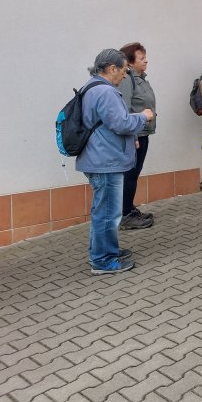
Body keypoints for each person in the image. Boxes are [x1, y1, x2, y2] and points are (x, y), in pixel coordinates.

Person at [76, 49, 154, 274]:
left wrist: (130, 140)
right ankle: (103, 260)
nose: (125, 75)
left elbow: (108, 124)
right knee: (108, 213)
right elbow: (121, 123)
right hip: (105, 161)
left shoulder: (91, 87)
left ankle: (106, 250)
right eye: (124, 70)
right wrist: (143, 117)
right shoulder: (106, 92)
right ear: (112, 69)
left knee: (104, 210)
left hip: (100, 157)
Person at [117, 42, 156, 231]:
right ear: (130, 63)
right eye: (141, 58)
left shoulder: (141, 78)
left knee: (134, 173)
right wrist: (132, 137)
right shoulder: (127, 80)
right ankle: (125, 214)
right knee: (130, 174)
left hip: (143, 132)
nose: (146, 60)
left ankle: (129, 208)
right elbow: (124, 109)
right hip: (135, 135)